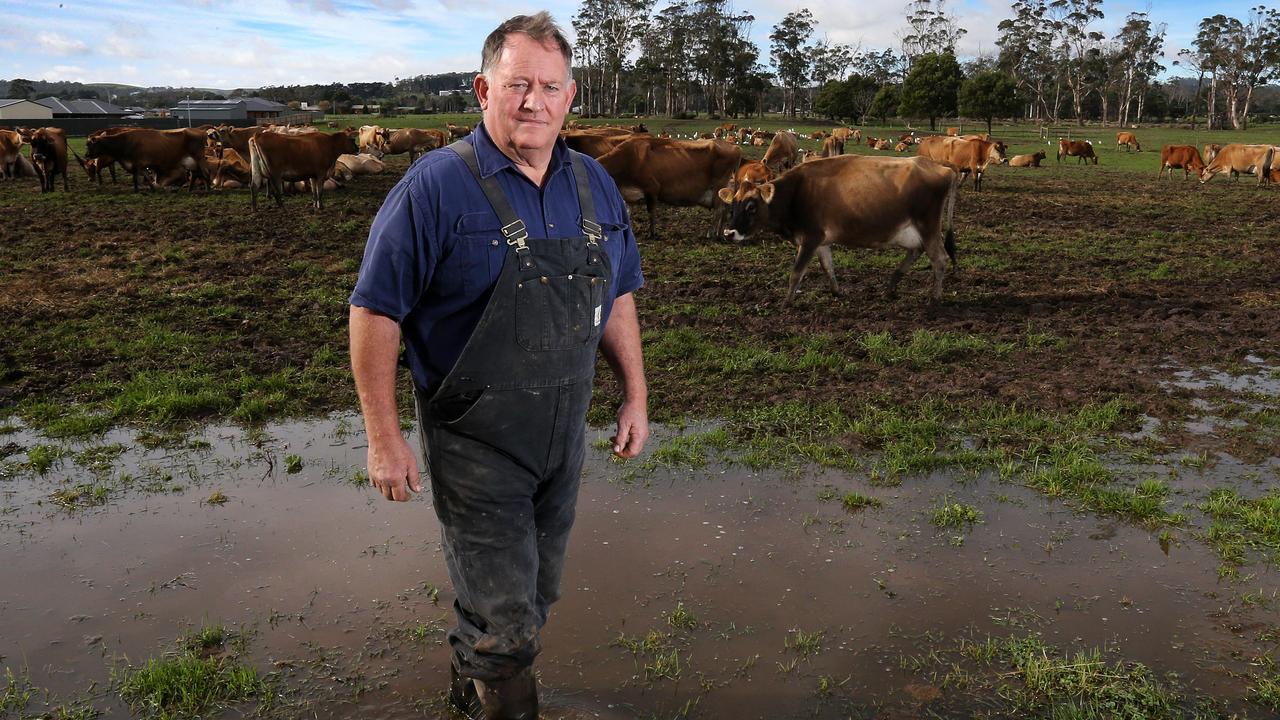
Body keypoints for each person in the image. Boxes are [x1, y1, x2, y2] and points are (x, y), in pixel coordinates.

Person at [347, 11, 648, 720]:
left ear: (570, 97)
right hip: (475, 443)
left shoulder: (594, 186)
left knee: (534, 596)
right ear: (484, 90)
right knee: (510, 619)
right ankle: (500, 695)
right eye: (517, 85)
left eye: (549, 87)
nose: (532, 102)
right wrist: (384, 439)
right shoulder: (433, 187)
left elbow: (621, 293)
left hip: (561, 435)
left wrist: (635, 395)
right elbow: (375, 312)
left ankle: (469, 684)